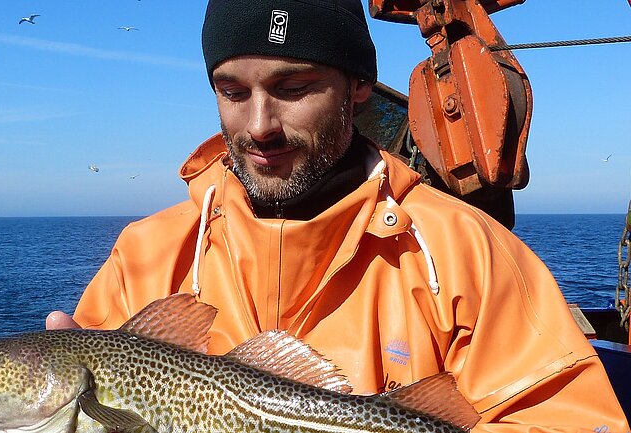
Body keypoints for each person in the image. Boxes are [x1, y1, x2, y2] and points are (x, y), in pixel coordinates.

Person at [48, 0, 629, 431]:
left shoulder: (464, 251)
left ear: (356, 88)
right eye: (231, 92)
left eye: (293, 87)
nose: (258, 126)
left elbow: (569, 419)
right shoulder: (147, 255)